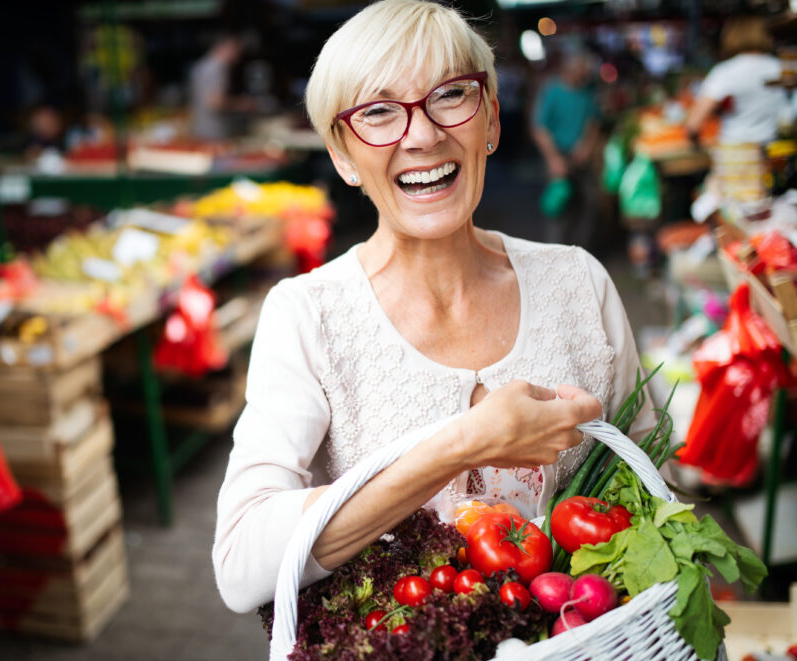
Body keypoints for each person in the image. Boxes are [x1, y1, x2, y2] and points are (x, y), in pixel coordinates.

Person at [213, 0, 652, 615]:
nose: (422, 135)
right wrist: (462, 445)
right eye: (378, 112)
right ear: (342, 155)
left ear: (491, 120)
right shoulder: (306, 316)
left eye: (450, 96)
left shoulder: (579, 283)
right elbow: (240, 565)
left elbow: (652, 486)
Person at [531, 49, 601, 250]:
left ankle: (582, 251)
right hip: (558, 153)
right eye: (580, 68)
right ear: (568, 68)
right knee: (559, 206)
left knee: (589, 204)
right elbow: (539, 128)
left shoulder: (588, 90)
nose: (584, 73)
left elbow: (593, 121)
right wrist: (553, 159)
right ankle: (556, 253)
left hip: (580, 157)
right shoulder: (552, 90)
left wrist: (586, 145)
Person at [685, 16, 787, 146]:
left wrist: (695, 141)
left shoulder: (726, 71)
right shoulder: (780, 67)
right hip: (772, 149)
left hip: (734, 152)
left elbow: (694, 123)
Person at [187, 34, 245, 140]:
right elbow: (215, 102)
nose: (239, 56)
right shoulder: (217, 68)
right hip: (214, 132)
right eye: (237, 50)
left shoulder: (201, 65)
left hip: (200, 128)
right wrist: (242, 104)